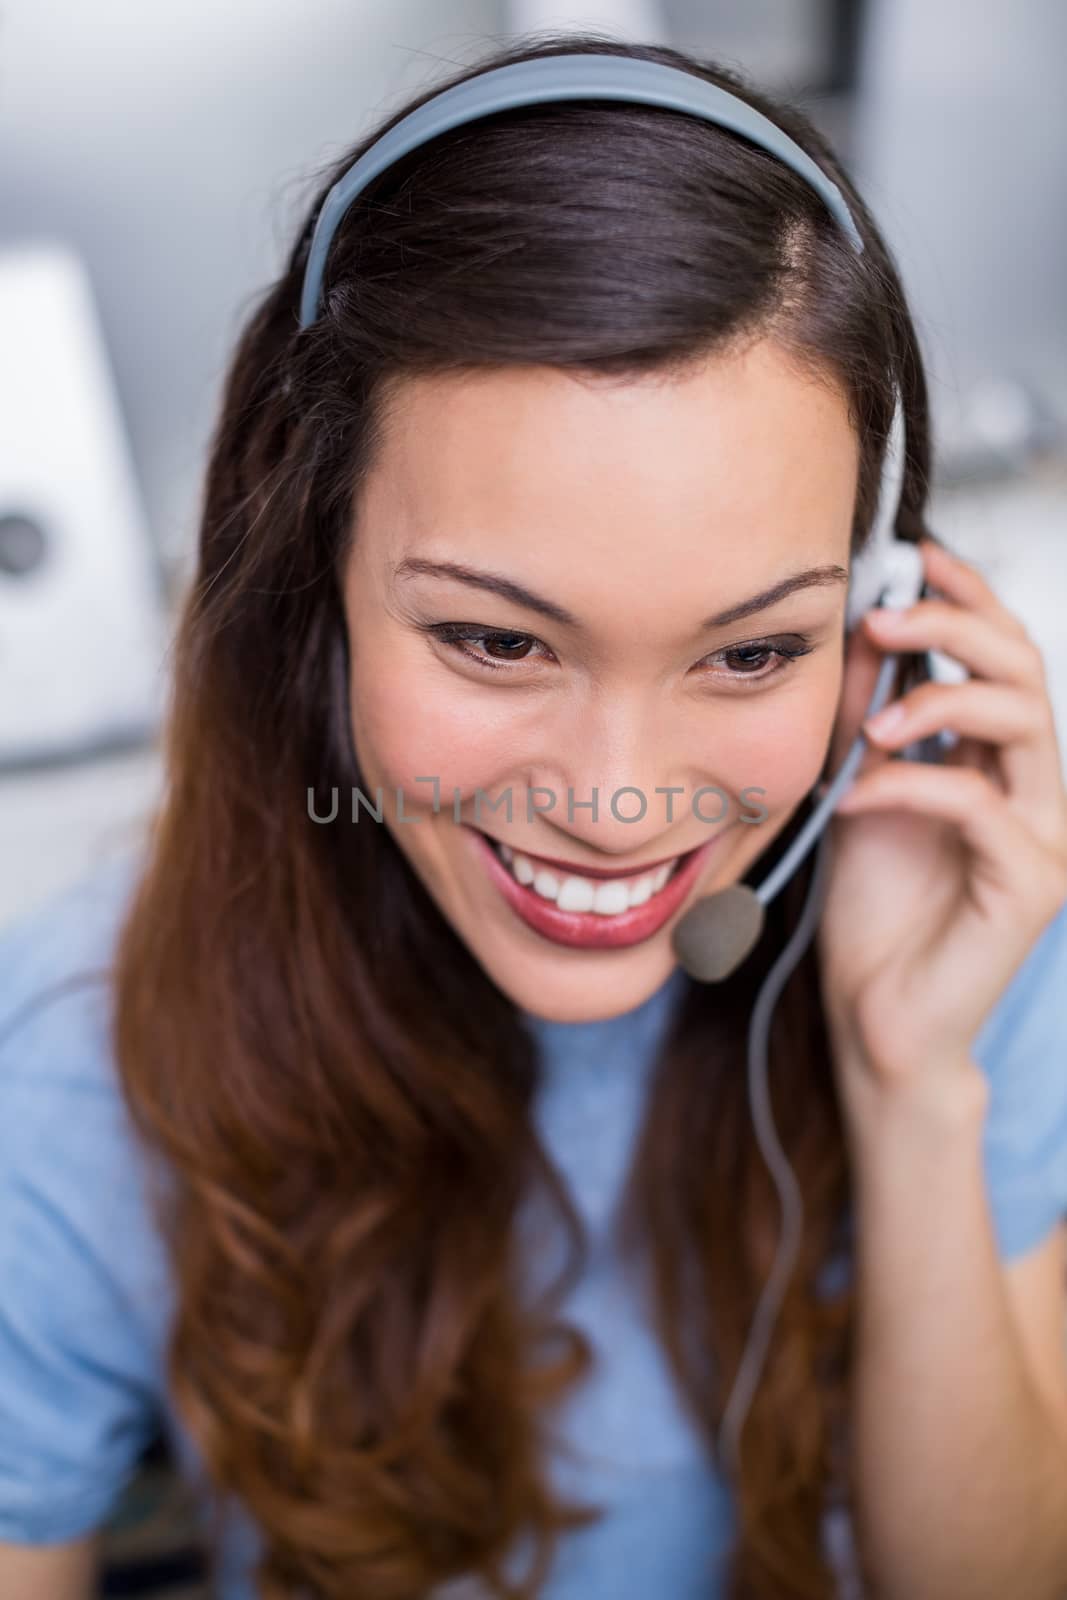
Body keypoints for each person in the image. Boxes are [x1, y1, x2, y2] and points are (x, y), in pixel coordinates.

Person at [2, 30, 1067, 1600]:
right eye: (497, 640)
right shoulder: (81, 1049)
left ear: (878, 618)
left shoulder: (960, 930)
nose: (614, 799)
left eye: (755, 649)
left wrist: (908, 1077)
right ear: (319, 585)